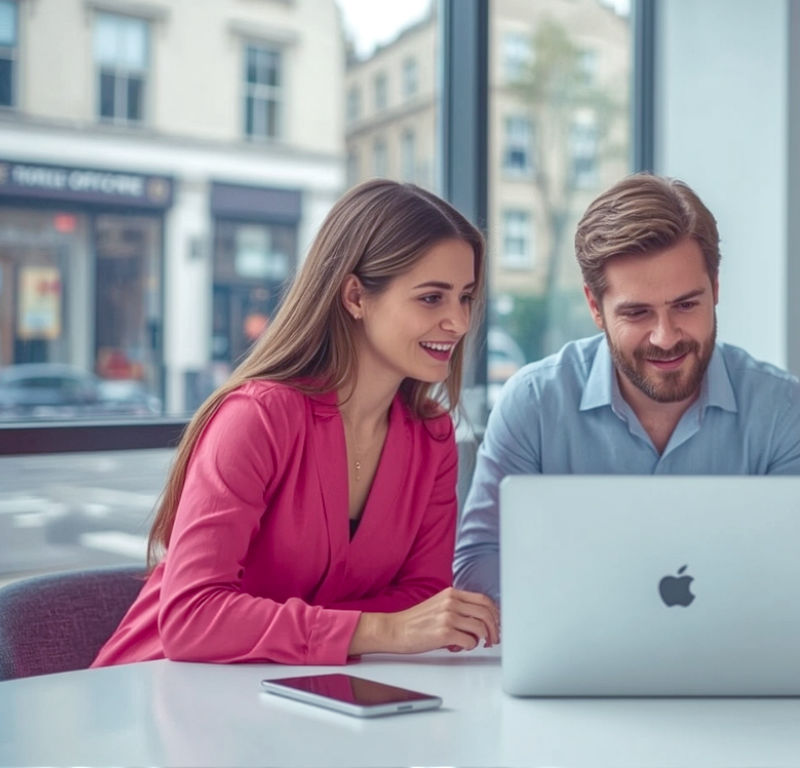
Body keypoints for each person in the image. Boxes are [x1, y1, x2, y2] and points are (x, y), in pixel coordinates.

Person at [93, 180, 500, 667]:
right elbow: (192, 618)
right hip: (159, 685)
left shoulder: (431, 437)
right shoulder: (258, 418)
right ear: (355, 296)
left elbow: (422, 602)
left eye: (465, 297)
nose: (459, 322)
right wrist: (379, 628)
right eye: (432, 298)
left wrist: (366, 630)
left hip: (295, 691)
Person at [453, 173, 800, 600]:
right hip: (578, 642)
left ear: (715, 289)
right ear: (595, 307)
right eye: (637, 313)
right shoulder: (534, 404)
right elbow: (479, 560)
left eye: (686, 305)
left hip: (739, 643)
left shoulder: (782, 409)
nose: (665, 337)